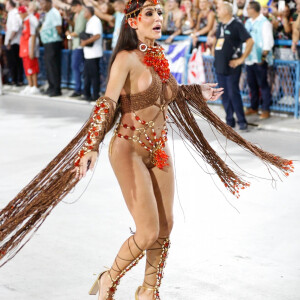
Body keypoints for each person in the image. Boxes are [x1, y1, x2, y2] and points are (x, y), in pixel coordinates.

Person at [0, 1, 294, 300]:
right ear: (132, 22)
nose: (157, 19)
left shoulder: (157, 55)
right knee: (147, 232)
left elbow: (168, 93)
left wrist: (195, 91)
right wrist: (91, 146)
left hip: (159, 150)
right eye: (149, 14)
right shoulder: (126, 59)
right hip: (128, 150)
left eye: (160, 13)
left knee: (165, 226)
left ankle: (148, 291)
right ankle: (108, 280)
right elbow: (107, 102)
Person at [214, 2, 253, 130]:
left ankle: (242, 121)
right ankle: (229, 121)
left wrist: (241, 59)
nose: (217, 11)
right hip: (220, 65)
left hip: (232, 66)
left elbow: (250, 41)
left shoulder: (236, 25)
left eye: (219, 8)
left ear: (226, 11)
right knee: (224, 94)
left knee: (233, 93)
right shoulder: (220, 25)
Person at [244, 1, 274, 119]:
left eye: (248, 8)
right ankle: (254, 107)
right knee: (252, 84)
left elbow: (268, 40)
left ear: (253, 9)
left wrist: (263, 56)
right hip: (249, 58)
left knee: (263, 84)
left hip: (260, 58)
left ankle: (266, 109)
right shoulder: (247, 22)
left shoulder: (264, 22)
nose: (246, 10)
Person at [40, 0, 62, 97]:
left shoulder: (54, 12)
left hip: (53, 43)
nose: (42, 5)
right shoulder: (47, 14)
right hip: (47, 43)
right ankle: (51, 86)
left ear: (49, 3)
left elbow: (58, 28)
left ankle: (56, 89)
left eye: (43, 3)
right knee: (49, 66)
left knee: (54, 66)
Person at [81, 6, 102, 101]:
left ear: (89, 12)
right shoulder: (89, 21)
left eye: (85, 11)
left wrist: (86, 42)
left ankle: (95, 95)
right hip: (88, 53)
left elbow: (97, 35)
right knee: (87, 75)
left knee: (94, 75)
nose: (83, 13)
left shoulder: (95, 21)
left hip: (94, 53)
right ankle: (87, 94)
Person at [66, 0, 87, 98]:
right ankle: (80, 88)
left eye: (74, 8)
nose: (73, 10)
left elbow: (78, 31)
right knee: (77, 67)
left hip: (79, 45)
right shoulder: (78, 14)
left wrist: (69, 35)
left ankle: (78, 89)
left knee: (76, 67)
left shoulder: (82, 14)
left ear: (78, 6)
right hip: (77, 44)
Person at [18, 6, 40, 95]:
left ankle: (35, 86)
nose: (19, 15)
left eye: (20, 13)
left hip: (29, 48)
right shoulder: (24, 22)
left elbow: (33, 35)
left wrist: (32, 50)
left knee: (32, 67)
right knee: (27, 67)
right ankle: (30, 85)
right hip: (24, 48)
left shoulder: (30, 21)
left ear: (24, 13)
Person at [4, 0, 23, 86]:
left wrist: (9, 41)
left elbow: (15, 28)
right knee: (16, 62)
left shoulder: (13, 14)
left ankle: (16, 80)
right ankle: (16, 80)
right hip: (15, 41)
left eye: (7, 4)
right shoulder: (14, 13)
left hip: (14, 42)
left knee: (14, 62)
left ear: (10, 5)